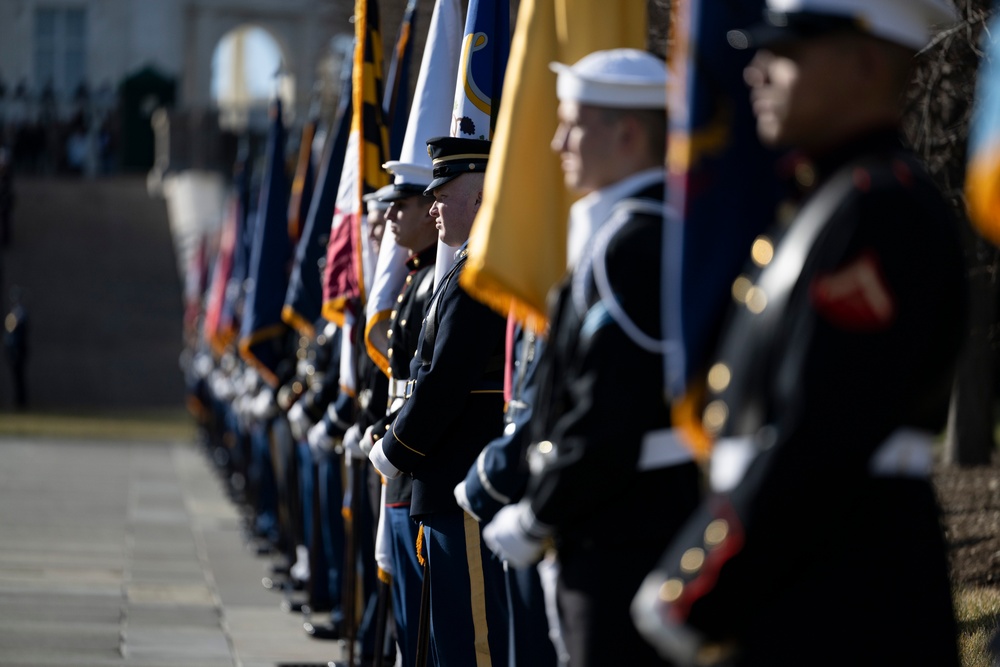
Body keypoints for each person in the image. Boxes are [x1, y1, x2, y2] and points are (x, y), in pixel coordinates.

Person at [631, 2, 966, 665]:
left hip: (848, 599)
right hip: (802, 587)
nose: (754, 71)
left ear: (865, 63)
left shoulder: (882, 210)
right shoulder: (824, 203)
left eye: (785, 53)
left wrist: (696, 584)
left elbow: (820, 434)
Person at [480, 49, 701, 667]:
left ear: (627, 133)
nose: (557, 142)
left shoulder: (636, 244)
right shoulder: (626, 234)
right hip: (617, 521)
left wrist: (538, 514)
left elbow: (612, 411)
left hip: (627, 530)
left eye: (573, 123)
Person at [368, 136, 510, 666]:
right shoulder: (466, 268)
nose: (431, 206)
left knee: (472, 644)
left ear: (478, 199)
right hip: (447, 480)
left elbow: (446, 382)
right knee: (449, 637)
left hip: (461, 482)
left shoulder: (478, 273)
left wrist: (394, 452)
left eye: (442, 195)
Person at [362, 159, 439, 667]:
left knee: (427, 624)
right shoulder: (417, 279)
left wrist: (393, 439)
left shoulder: (434, 278)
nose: (390, 218)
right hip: (400, 452)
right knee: (410, 621)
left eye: (401, 206)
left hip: (416, 461)